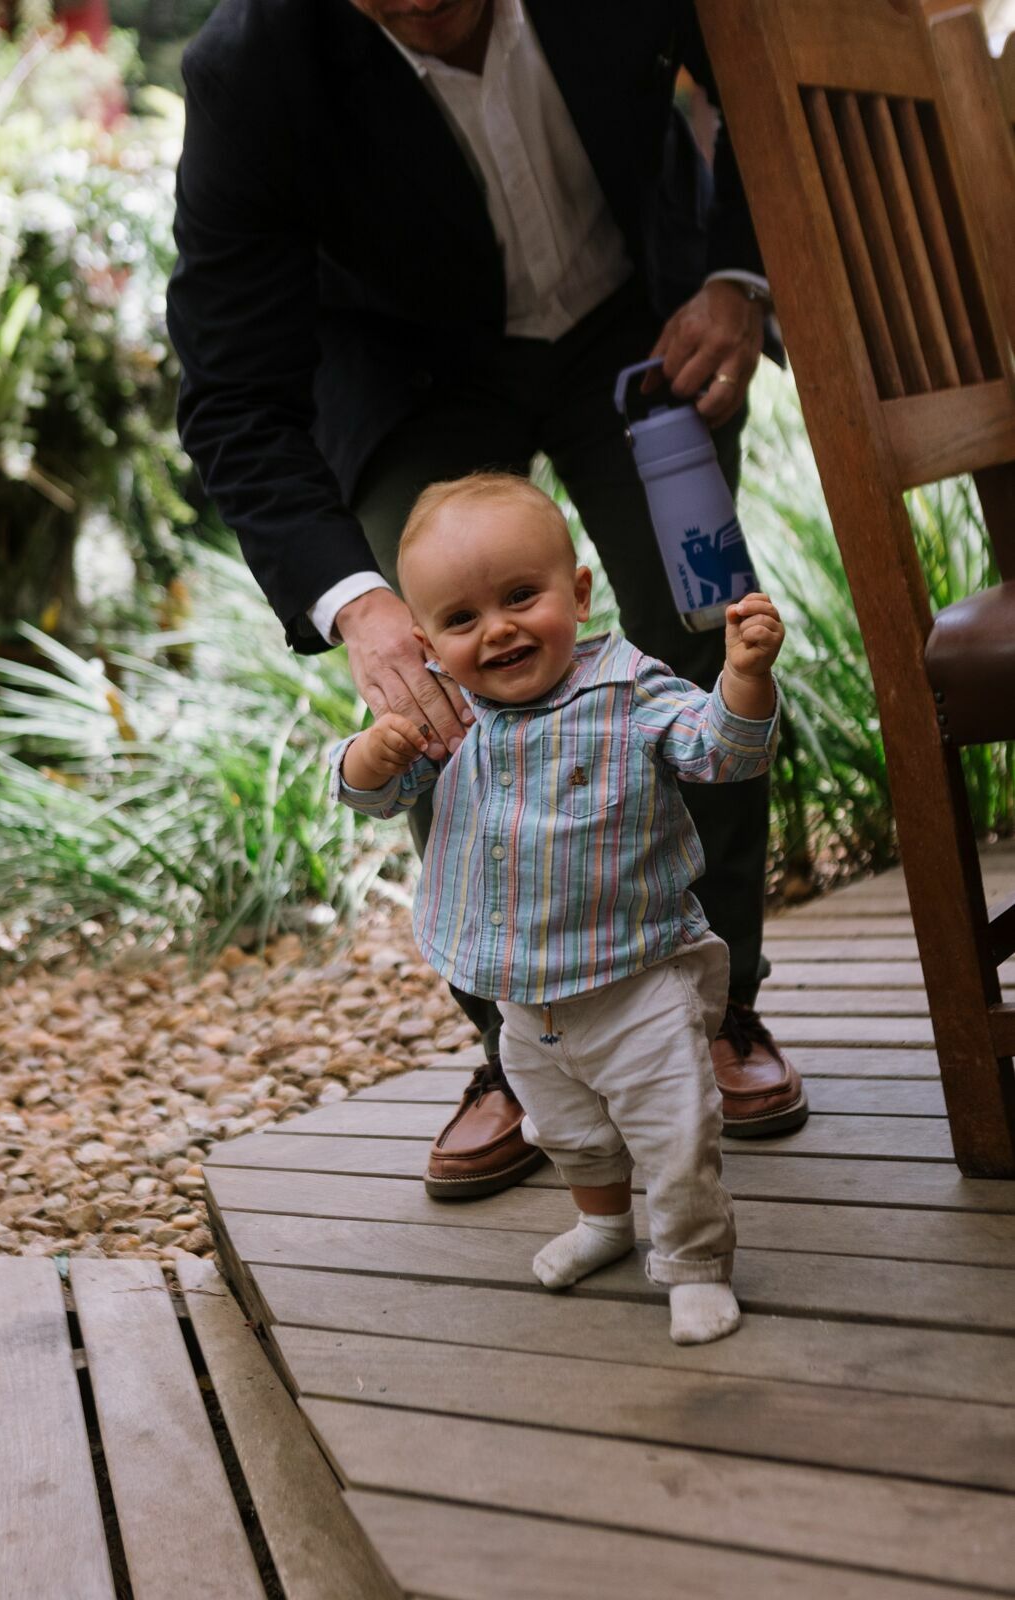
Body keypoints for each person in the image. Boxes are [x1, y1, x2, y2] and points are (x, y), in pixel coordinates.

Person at [167, 0, 809, 1203]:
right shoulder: (251, 69)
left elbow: (766, 65)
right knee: (439, 683)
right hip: (415, 369)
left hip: (641, 328)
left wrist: (738, 272)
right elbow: (232, 397)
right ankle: (514, 1056)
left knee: (701, 629)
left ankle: (716, 1011)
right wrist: (356, 601)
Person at [331, 472, 784, 1344]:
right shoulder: (446, 716)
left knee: (674, 1133)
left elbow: (722, 755)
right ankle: (604, 1224)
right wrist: (369, 755)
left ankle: (693, 1262)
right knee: (568, 1129)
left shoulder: (630, 689)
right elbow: (374, 799)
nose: (496, 629)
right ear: (428, 644)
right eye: (461, 620)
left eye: (519, 597)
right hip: (523, 996)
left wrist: (743, 679)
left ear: (575, 593)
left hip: (634, 978)